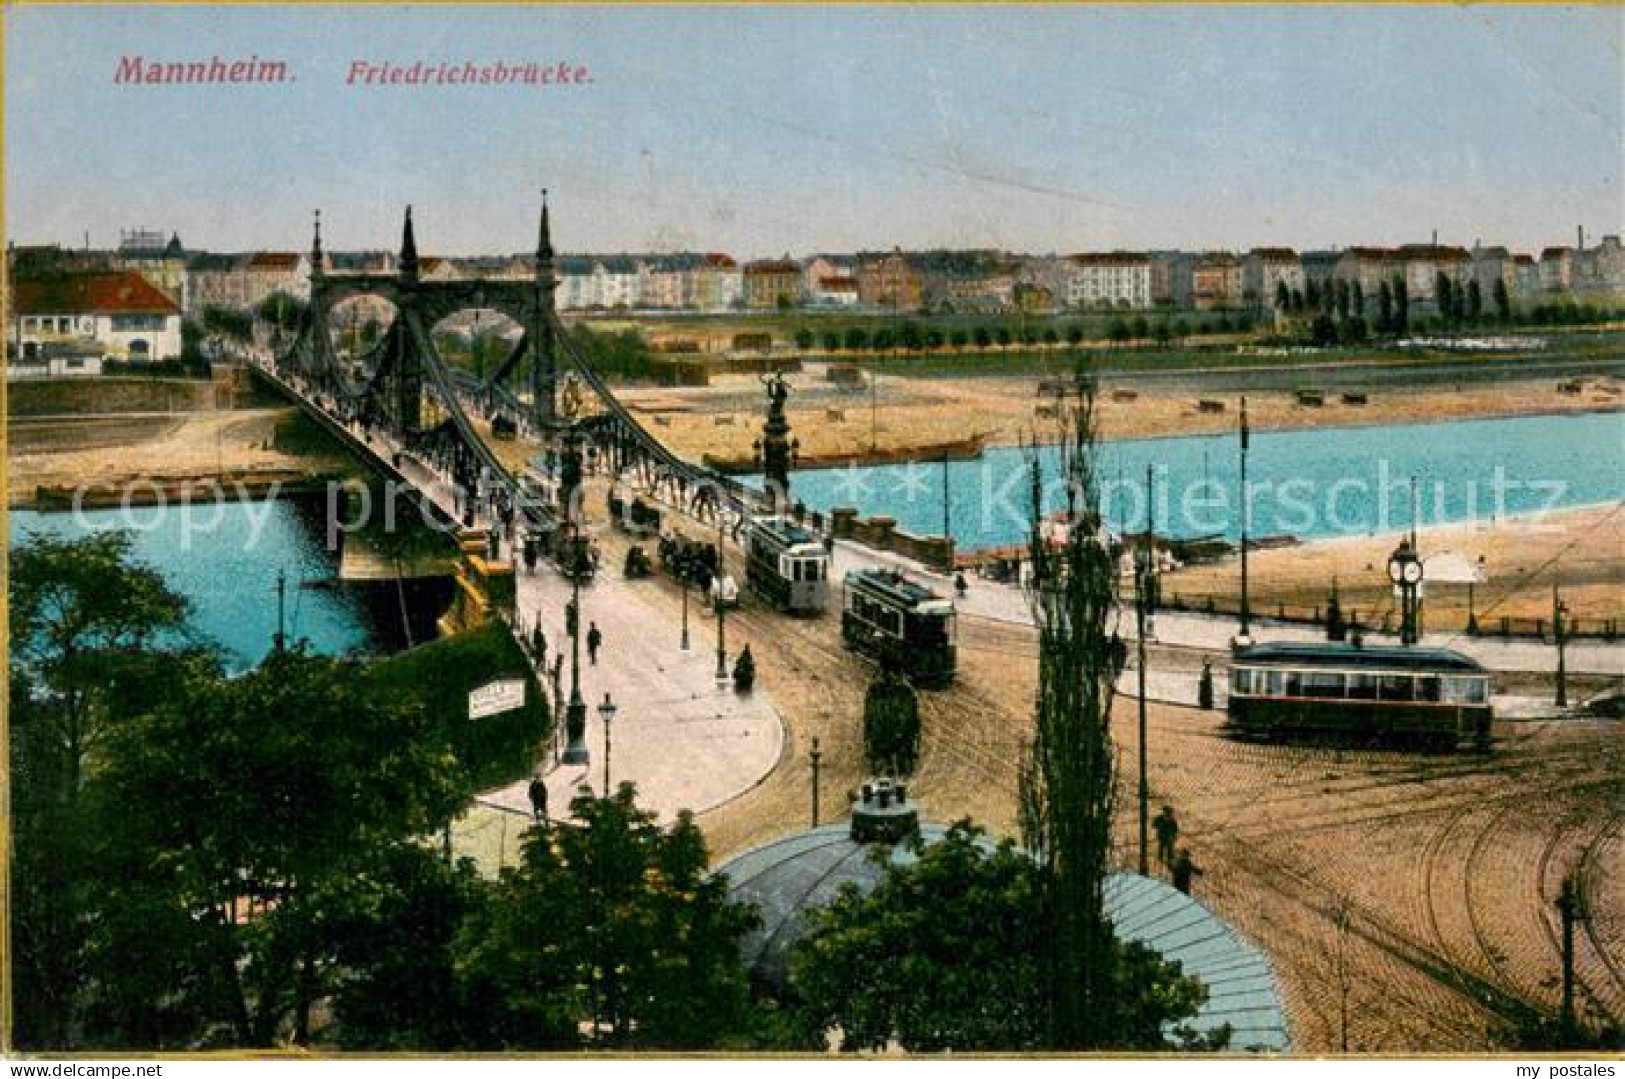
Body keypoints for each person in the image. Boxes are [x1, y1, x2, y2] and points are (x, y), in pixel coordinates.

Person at [1153, 805, 1180, 870]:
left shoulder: (1172, 820)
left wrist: (1174, 836)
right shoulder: (1159, 818)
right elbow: (1154, 824)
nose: (1167, 813)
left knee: (1169, 849)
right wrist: (1161, 824)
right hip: (1162, 836)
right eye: (1166, 812)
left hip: (1169, 837)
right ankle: (1161, 859)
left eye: (1169, 812)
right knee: (1161, 848)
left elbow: (1175, 829)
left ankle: (1169, 861)